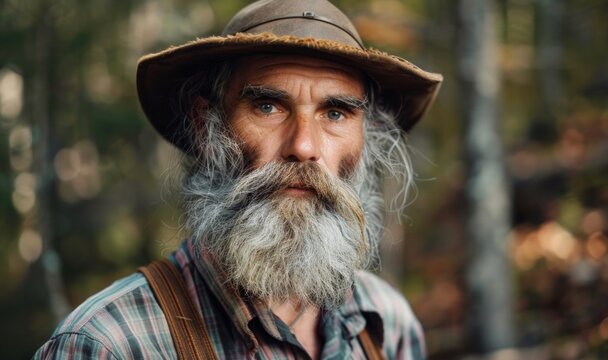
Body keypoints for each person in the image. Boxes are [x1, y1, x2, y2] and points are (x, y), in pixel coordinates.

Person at [34, 0, 442, 358]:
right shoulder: (109, 344)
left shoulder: (386, 323)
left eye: (335, 113)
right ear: (205, 126)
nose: (303, 146)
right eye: (268, 106)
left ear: (364, 138)